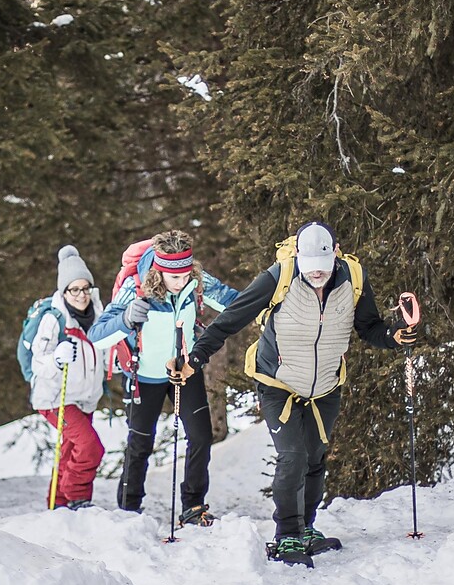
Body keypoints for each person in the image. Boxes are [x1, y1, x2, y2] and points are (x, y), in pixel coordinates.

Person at [186, 222, 414, 562]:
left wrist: (393, 337)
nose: (316, 276)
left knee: (314, 457)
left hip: (325, 383)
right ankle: (287, 536)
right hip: (277, 381)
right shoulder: (278, 277)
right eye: (310, 270)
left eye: (322, 269)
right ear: (297, 256)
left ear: (336, 254)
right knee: (292, 456)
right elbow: (232, 318)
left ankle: (306, 527)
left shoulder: (354, 276)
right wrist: (196, 356)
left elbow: (368, 326)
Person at [89, 229, 238, 528]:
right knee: (141, 443)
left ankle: (193, 506)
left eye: (185, 275)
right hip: (144, 375)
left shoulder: (196, 281)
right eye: (174, 278)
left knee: (200, 437)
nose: (181, 282)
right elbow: (97, 336)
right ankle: (129, 511)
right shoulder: (135, 289)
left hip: (183, 371)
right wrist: (127, 318)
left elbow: (235, 303)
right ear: (159, 271)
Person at [25, 245, 107, 508]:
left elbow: (105, 348)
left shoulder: (98, 311)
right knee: (91, 447)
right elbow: (39, 362)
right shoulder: (54, 319)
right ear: (64, 291)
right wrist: (57, 359)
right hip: (55, 399)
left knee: (71, 450)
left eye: (85, 288)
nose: (81, 295)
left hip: (85, 397)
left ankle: (58, 503)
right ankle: (77, 496)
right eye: (74, 289)